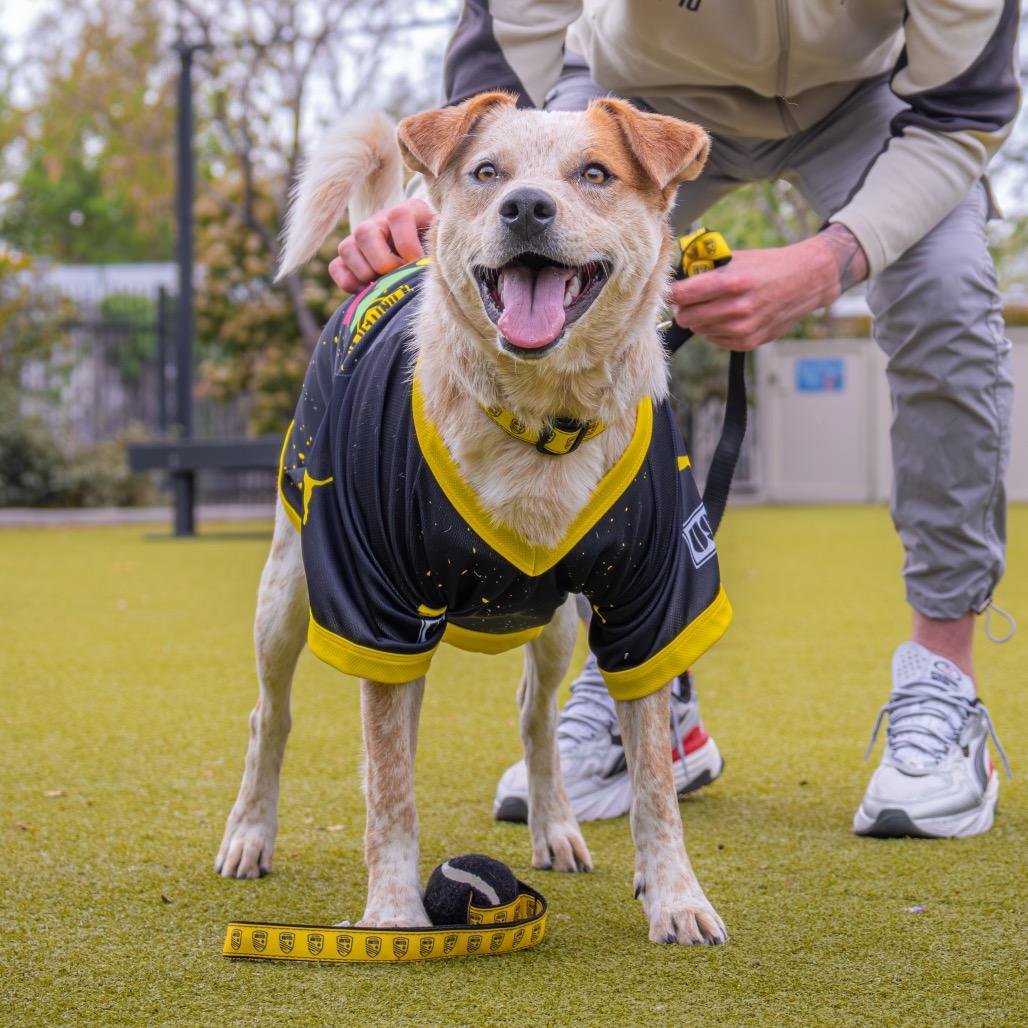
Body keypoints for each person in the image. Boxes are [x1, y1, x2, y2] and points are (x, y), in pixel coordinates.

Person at [328, 1, 1019, 838]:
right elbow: (507, 49)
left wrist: (825, 262)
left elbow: (960, 110)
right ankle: (641, 679)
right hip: (630, 88)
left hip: (873, 97)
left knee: (944, 289)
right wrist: (441, 204)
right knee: (569, 304)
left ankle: (942, 677)